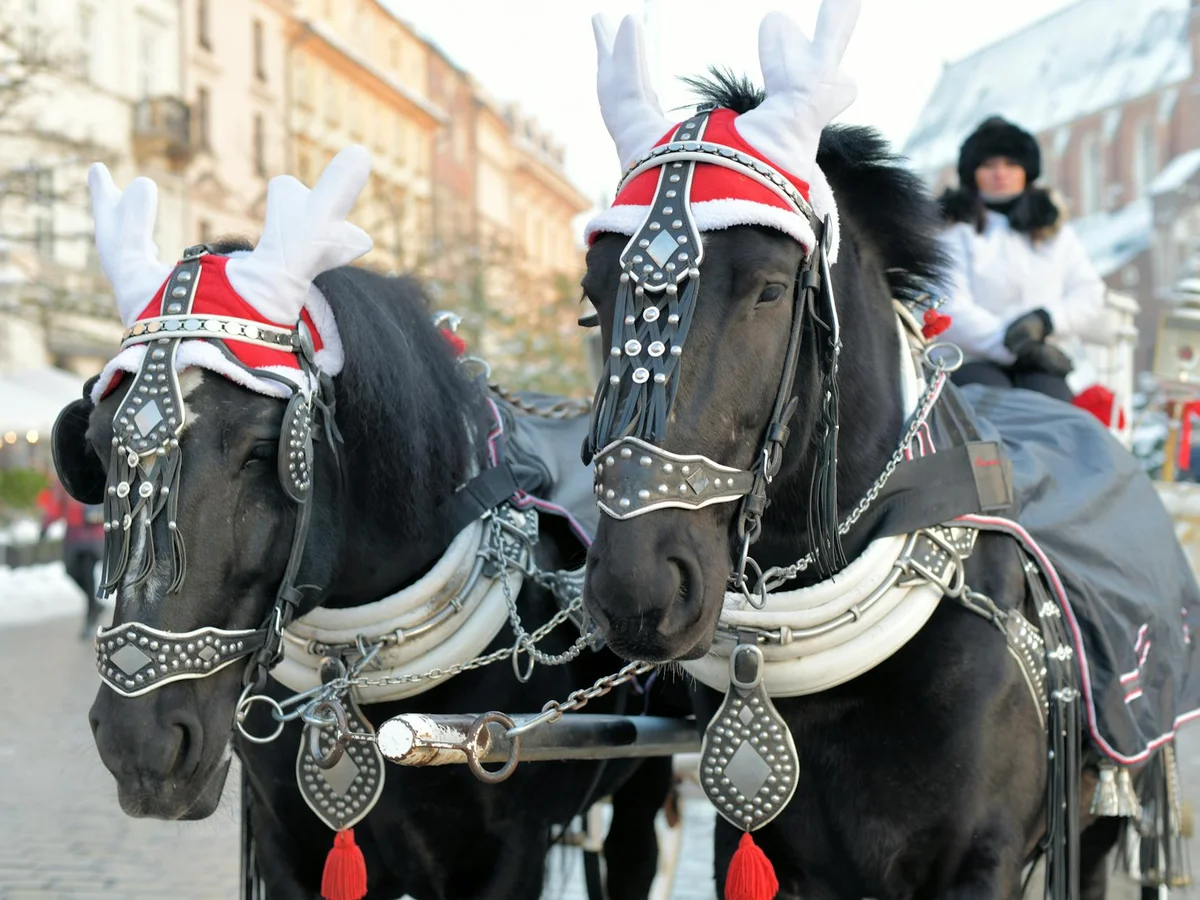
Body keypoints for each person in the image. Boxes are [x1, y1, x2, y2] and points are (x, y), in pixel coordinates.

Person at [935, 115, 1111, 403]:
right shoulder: (955, 231)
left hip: (1045, 360)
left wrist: (1047, 320)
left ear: (1026, 170)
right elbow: (953, 309)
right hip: (975, 359)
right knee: (989, 410)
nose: (1000, 173)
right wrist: (1018, 345)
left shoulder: (1056, 232)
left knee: (1055, 416)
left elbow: (1089, 293)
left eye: (1011, 164)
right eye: (989, 165)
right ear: (973, 173)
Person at [37, 479, 105, 638]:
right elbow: (56, 502)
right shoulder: (67, 476)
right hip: (73, 535)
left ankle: (90, 617)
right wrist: (46, 525)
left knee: (88, 574)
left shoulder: (99, 473)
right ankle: (95, 605)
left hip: (93, 535)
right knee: (70, 570)